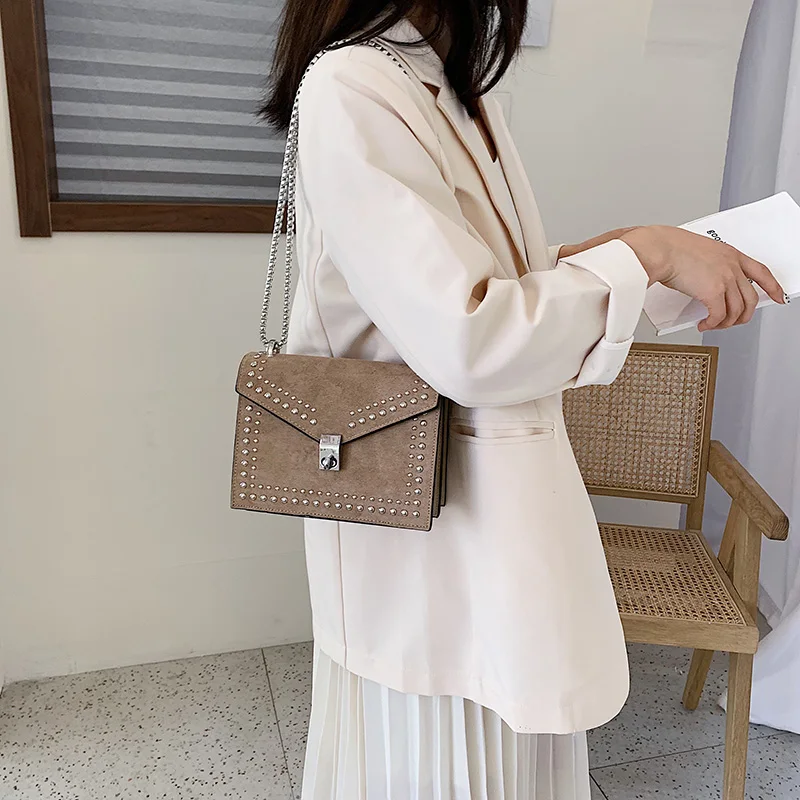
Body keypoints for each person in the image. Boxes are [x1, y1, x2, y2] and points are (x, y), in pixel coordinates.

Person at [262, 2, 785, 798]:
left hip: (487, 514)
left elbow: (498, 280)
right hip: (425, 527)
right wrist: (643, 257)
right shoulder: (354, 85)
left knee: (498, 741)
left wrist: (652, 258)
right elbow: (470, 335)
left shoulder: (446, 87)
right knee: (442, 754)